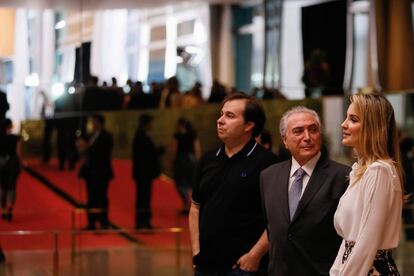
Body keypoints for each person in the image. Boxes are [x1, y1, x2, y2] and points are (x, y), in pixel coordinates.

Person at [189, 93, 278, 275]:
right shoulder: (207, 160)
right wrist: (197, 252)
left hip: (244, 267)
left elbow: (277, 219)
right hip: (206, 266)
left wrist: (254, 255)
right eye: (221, 114)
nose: (220, 121)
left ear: (249, 125)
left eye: (229, 116)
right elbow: (195, 208)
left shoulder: (268, 163)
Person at [260, 106, 350, 276]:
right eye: (298, 131)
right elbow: (273, 230)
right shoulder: (268, 176)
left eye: (313, 130)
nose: (307, 137)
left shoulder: (343, 177)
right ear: (285, 140)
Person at [330, 93, 404, 275]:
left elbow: (367, 243)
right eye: (346, 117)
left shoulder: (380, 171)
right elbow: (350, 240)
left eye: (353, 119)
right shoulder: (363, 169)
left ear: (373, 127)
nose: (344, 124)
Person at [78, 114, 114, 230]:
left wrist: (88, 147)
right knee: (91, 198)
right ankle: (91, 222)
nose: (92, 125)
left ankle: (103, 221)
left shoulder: (106, 136)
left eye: (94, 122)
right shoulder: (90, 136)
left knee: (102, 197)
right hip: (90, 172)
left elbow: (103, 153)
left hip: (101, 172)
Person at [132, 114, 162, 230]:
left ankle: (145, 221)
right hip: (143, 173)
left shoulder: (142, 135)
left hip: (143, 173)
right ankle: (141, 222)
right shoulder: (141, 136)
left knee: (145, 197)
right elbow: (145, 155)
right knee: (143, 197)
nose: (153, 125)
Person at [171, 118, 201, 214]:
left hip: (181, 160)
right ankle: (191, 204)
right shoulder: (193, 134)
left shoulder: (177, 135)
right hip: (191, 160)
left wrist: (172, 161)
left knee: (180, 183)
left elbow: (174, 150)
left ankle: (186, 203)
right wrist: (198, 162)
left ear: (180, 125)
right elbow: (197, 149)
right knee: (191, 183)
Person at [0, 119, 22, 222]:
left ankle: (3, 209)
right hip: (12, 163)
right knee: (12, 186)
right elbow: (18, 152)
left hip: (1, 164)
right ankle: (9, 207)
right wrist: (21, 163)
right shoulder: (15, 138)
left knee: (3, 186)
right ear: (10, 126)